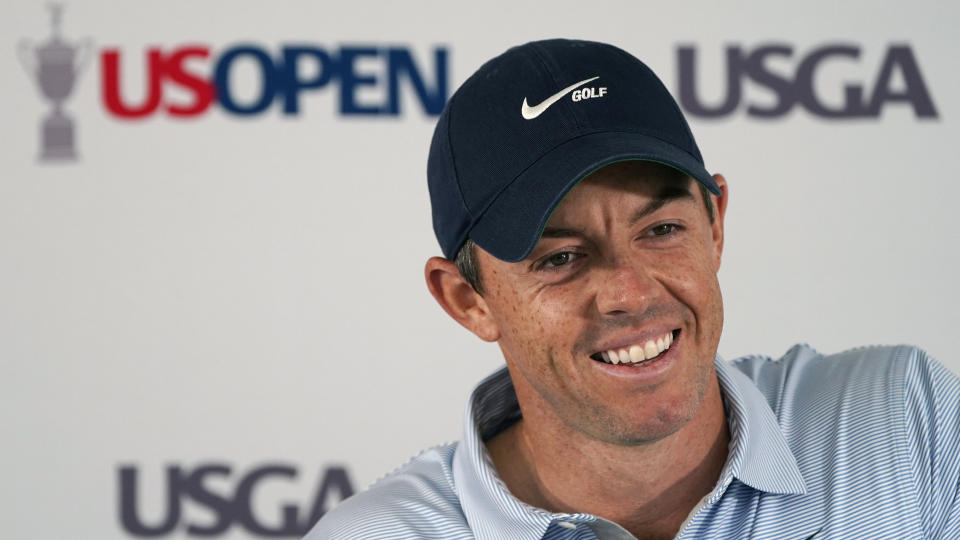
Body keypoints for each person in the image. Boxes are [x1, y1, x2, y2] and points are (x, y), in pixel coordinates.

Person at [305, 39, 960, 539]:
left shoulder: (902, 422)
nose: (628, 290)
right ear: (467, 300)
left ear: (716, 225)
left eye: (663, 228)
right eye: (561, 257)